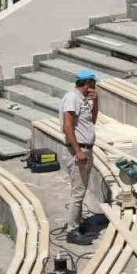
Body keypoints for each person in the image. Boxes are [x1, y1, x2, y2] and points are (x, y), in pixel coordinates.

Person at [60, 69, 100, 245]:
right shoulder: (73, 97)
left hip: (86, 149)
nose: (94, 87)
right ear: (88, 83)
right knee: (78, 192)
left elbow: (92, 120)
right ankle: (72, 232)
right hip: (79, 151)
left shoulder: (83, 100)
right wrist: (78, 151)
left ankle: (75, 224)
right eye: (93, 84)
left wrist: (96, 101)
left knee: (81, 190)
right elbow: (68, 126)